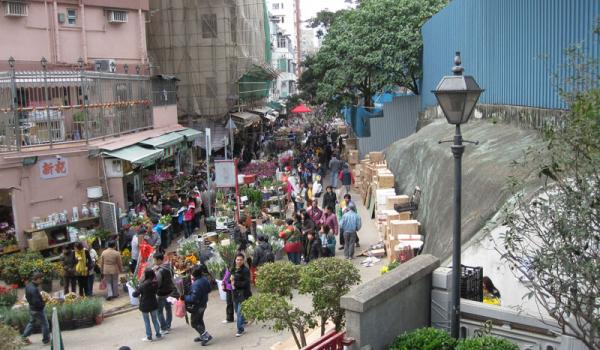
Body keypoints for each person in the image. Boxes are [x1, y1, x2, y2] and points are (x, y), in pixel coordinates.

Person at [183, 265, 213, 345]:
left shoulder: (196, 284)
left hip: (198, 306)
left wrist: (185, 297)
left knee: (194, 322)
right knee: (199, 320)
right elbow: (209, 289)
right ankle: (202, 335)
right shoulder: (204, 279)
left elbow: (193, 298)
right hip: (203, 303)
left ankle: (206, 336)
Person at [132, 269, 162, 342]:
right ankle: (158, 334)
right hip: (153, 303)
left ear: (146, 275)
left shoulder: (143, 284)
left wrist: (137, 287)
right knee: (155, 320)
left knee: (146, 321)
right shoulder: (155, 283)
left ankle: (149, 337)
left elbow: (135, 294)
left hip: (145, 305)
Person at [21, 272, 50, 345]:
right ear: (37, 279)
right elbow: (36, 301)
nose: (41, 281)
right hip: (37, 310)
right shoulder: (34, 289)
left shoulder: (28, 286)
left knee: (32, 322)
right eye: (41, 279)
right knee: (45, 324)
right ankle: (46, 340)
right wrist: (43, 304)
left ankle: (24, 337)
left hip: (31, 308)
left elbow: (28, 297)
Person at [153, 253, 176, 333]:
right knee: (168, 308)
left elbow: (157, 284)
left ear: (159, 260)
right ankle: (168, 324)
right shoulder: (169, 267)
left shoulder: (159, 271)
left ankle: (164, 327)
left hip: (162, 293)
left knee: (159, 311)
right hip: (170, 291)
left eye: (155, 260)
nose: (154, 261)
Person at [231, 253, 252, 337]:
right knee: (237, 310)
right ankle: (244, 320)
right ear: (235, 260)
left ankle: (240, 329)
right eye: (237, 259)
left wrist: (235, 283)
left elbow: (246, 283)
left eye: (240, 260)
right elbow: (230, 278)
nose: (239, 261)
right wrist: (230, 282)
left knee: (239, 312)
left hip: (244, 294)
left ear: (243, 261)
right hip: (235, 294)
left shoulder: (245, 270)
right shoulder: (233, 268)